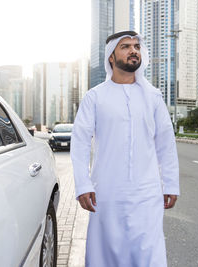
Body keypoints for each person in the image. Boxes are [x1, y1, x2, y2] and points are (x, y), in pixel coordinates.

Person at [70, 30, 180, 266]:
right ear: (111, 56)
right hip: (107, 192)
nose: (133, 50)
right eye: (126, 46)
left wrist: (170, 183)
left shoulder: (154, 97)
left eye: (137, 47)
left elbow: (166, 143)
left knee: (149, 254)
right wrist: (83, 184)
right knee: (106, 255)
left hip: (147, 193)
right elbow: (79, 142)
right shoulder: (95, 97)